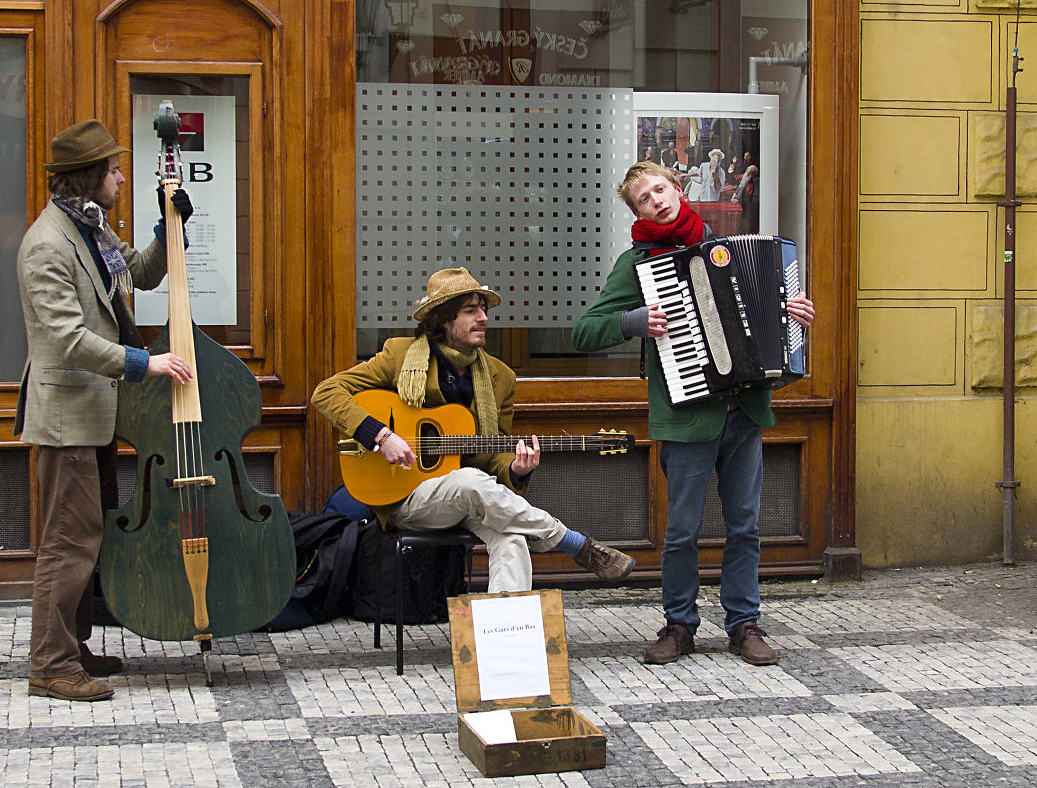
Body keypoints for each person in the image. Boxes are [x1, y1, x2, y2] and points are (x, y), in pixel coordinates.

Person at [571, 162, 814, 666]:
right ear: (636, 211)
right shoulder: (638, 263)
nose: (656, 200)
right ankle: (679, 624)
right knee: (681, 530)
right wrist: (634, 321)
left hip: (743, 410)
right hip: (686, 417)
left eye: (660, 189)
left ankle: (743, 624)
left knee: (745, 524)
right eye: (644, 198)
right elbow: (585, 330)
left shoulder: (725, 246)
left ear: (678, 190)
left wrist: (795, 318)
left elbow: (769, 323)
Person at [311, 267, 636, 594]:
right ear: (444, 320)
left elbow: (493, 454)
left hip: (472, 496)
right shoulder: (399, 355)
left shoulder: (500, 378)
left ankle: (506, 635)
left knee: (511, 535)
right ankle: (573, 543)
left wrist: (516, 469)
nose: (483, 318)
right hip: (406, 496)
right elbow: (326, 393)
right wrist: (382, 435)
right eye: (471, 311)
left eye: (484, 309)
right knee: (470, 481)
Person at [16, 119, 195, 701]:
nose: (121, 176)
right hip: (67, 416)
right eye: (114, 169)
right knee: (68, 539)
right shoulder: (48, 244)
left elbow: (140, 274)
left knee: (86, 534)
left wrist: (172, 228)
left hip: (95, 413)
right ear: (89, 177)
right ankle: (50, 663)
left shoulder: (90, 231)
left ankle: (74, 647)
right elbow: (69, 339)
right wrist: (147, 364)